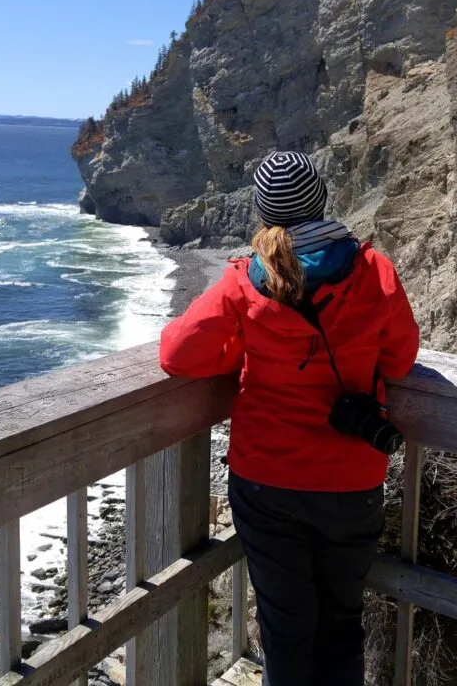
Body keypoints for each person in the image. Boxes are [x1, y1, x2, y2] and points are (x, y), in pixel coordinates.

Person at [159, 151, 419, 686]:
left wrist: (243, 351)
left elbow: (177, 355)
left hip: (267, 481)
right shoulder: (373, 270)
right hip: (351, 478)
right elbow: (400, 360)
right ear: (321, 199)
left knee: (286, 624)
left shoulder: (246, 279)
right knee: (341, 621)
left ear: (263, 213)